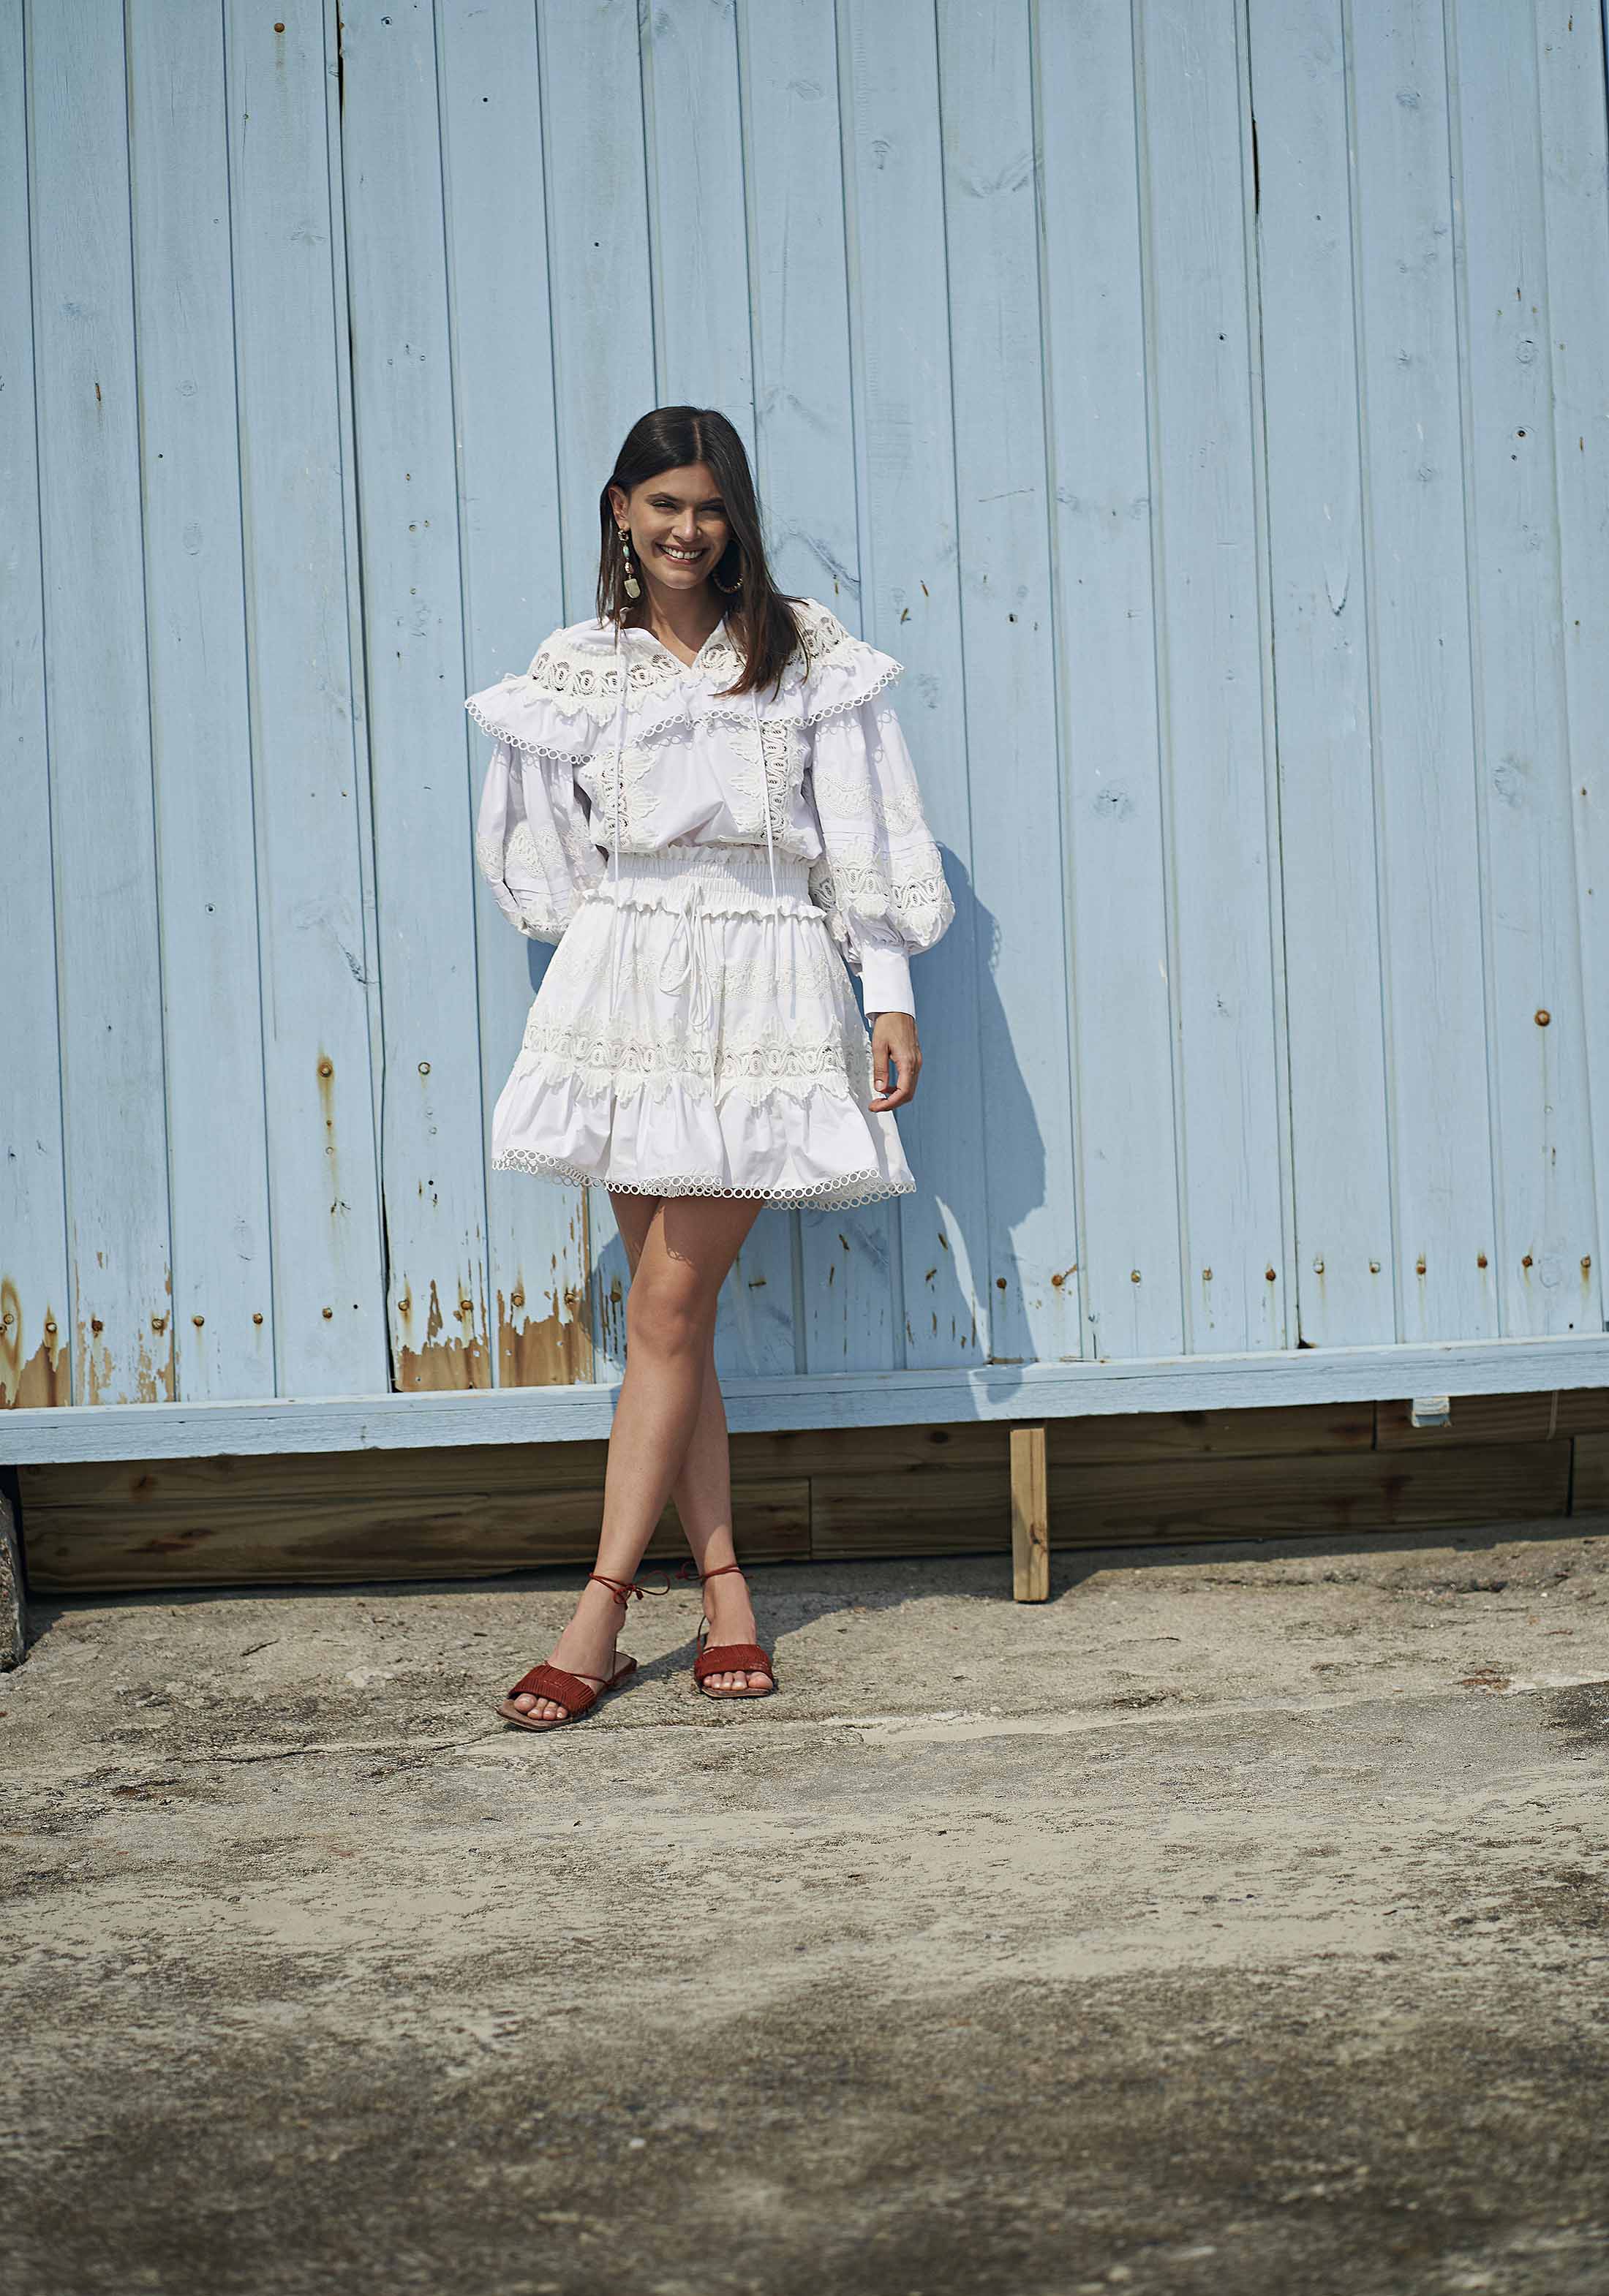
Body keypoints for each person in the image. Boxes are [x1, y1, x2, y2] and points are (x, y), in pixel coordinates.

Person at [468, 405, 954, 1729]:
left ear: (737, 516)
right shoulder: (578, 667)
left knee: (670, 1311)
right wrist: (624, 944)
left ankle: (600, 1612)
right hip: (631, 985)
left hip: (767, 975)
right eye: (664, 504)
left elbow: (863, 832)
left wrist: (889, 994)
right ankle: (727, 1589)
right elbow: (545, 862)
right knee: (668, 1327)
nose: (688, 530)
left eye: (711, 506)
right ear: (621, 510)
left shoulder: (801, 651)